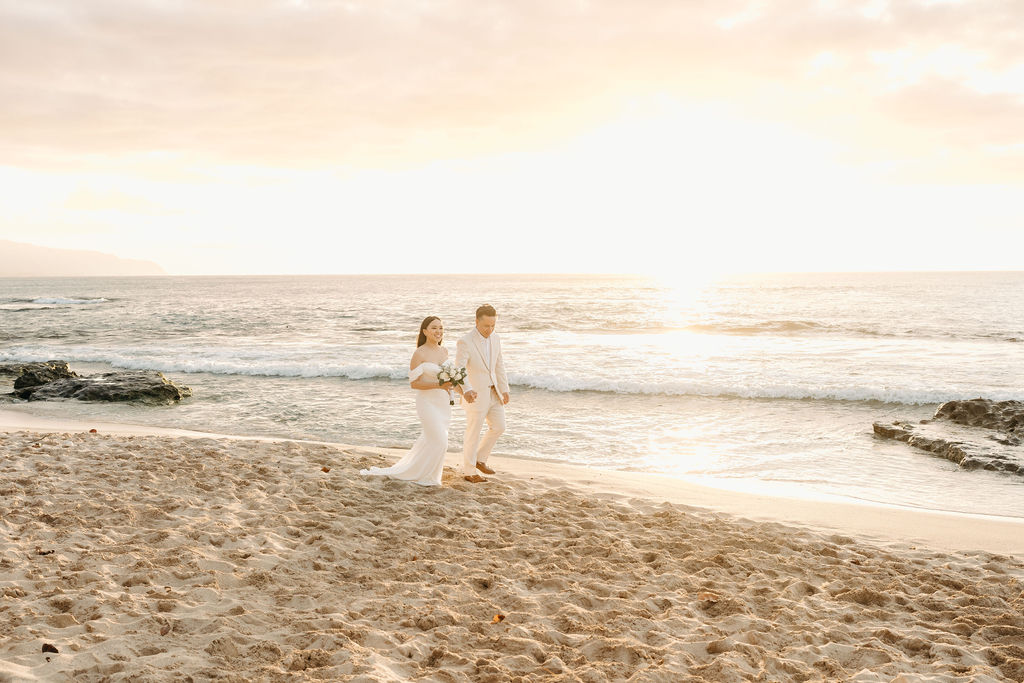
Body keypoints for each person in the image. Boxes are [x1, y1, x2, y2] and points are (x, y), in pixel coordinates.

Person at [360, 316, 459, 486]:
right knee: (440, 441)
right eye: (434, 328)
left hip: (443, 403)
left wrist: (462, 390)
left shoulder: (444, 352)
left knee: (432, 440)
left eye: (441, 328)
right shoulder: (419, 353)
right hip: (427, 403)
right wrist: (440, 384)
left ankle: (430, 475)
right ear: (425, 331)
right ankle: (424, 476)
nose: (438, 331)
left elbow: (451, 378)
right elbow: (414, 383)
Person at [456, 304, 510, 483]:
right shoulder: (465, 341)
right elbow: (459, 369)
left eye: (493, 325)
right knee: (473, 432)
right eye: (487, 325)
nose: (490, 329)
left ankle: (480, 459)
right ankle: (469, 471)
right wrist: (466, 390)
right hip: (475, 395)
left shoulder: (496, 338)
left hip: (494, 393)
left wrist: (504, 389)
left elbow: (499, 365)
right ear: (476, 322)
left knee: (499, 426)